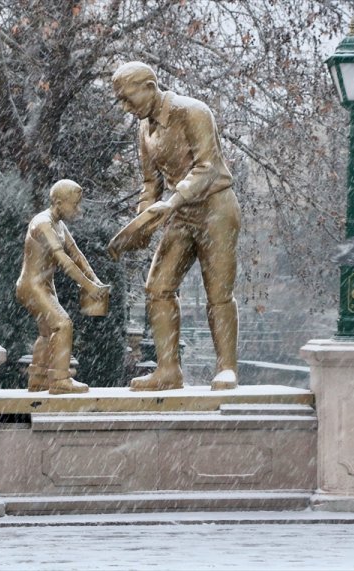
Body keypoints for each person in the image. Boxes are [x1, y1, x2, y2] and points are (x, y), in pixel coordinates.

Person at [111, 61, 241, 391]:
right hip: (181, 213)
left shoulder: (192, 111)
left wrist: (172, 201)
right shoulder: (145, 129)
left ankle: (226, 368)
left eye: (128, 99)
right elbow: (149, 183)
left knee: (218, 293)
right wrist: (141, 223)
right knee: (158, 288)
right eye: (121, 101)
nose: (126, 107)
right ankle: (168, 370)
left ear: (150, 88)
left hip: (216, 207)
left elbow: (208, 167)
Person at [15, 180, 106, 394]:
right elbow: (63, 259)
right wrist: (89, 287)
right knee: (63, 325)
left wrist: (96, 281)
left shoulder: (59, 224)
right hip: (32, 286)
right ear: (57, 203)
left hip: (43, 286)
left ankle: (37, 379)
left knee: (47, 332)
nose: (78, 210)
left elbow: (77, 255)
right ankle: (59, 380)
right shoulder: (43, 223)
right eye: (74, 205)